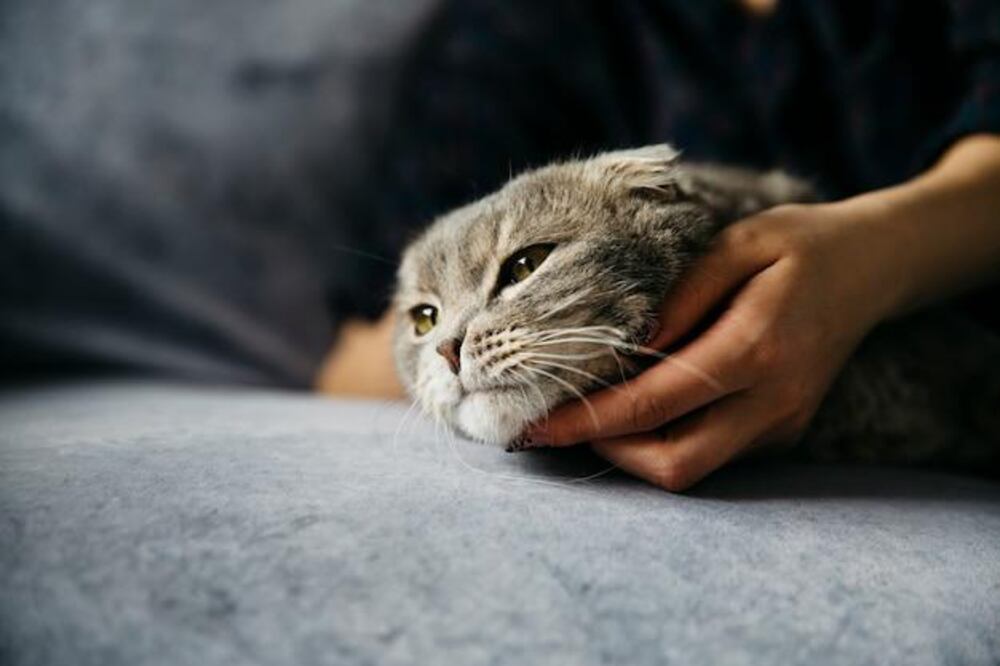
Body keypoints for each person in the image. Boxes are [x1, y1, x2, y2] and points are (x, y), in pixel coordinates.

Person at [319, 0, 1000, 490]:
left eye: (520, 266)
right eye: (434, 322)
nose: (451, 342)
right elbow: (356, 368)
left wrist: (869, 262)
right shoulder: (518, 27)